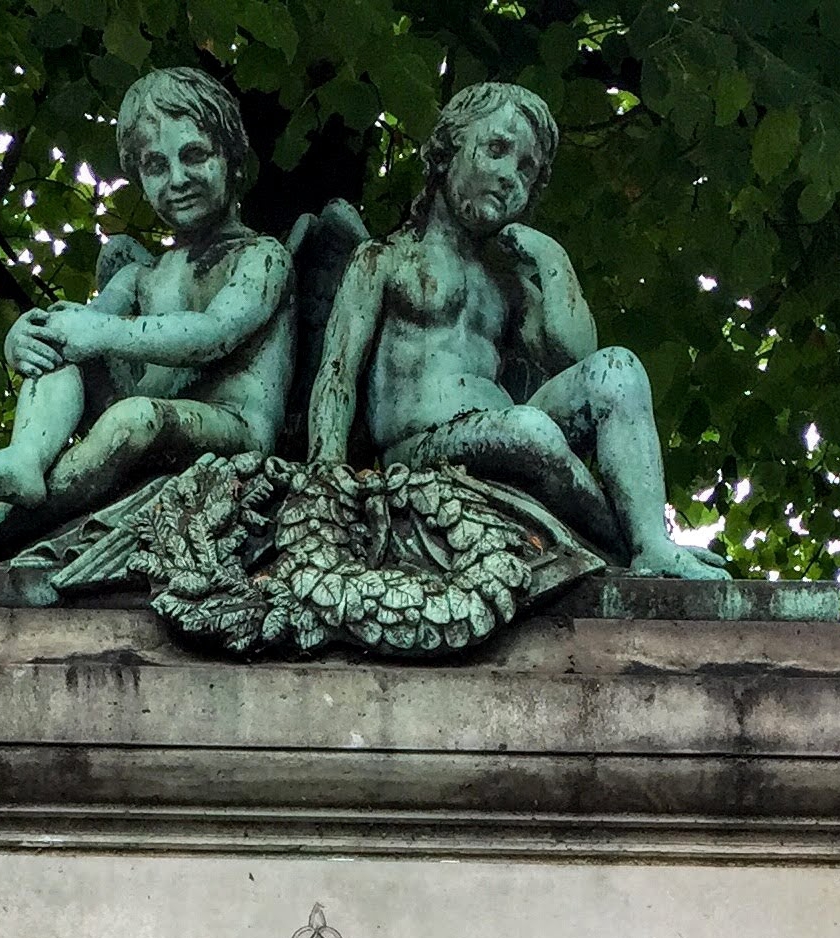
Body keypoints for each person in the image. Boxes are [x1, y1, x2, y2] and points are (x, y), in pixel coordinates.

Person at [307, 81, 728, 578]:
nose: (510, 177)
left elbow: (577, 361)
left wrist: (554, 260)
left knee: (619, 369)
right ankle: (619, 541)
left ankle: (651, 541)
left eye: (526, 170)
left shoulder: (506, 287)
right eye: (497, 150)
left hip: (509, 433)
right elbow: (336, 373)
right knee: (530, 429)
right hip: (420, 450)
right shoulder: (384, 260)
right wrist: (325, 480)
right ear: (447, 151)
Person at [0, 68, 294, 561]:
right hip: (152, 417)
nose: (177, 179)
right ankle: (25, 457)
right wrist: (27, 338)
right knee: (63, 346)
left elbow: (214, 334)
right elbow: (82, 330)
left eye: (194, 155)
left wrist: (99, 331)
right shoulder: (140, 275)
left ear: (234, 161)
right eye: (155, 165)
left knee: (131, 413)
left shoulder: (263, 256)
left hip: (234, 430)